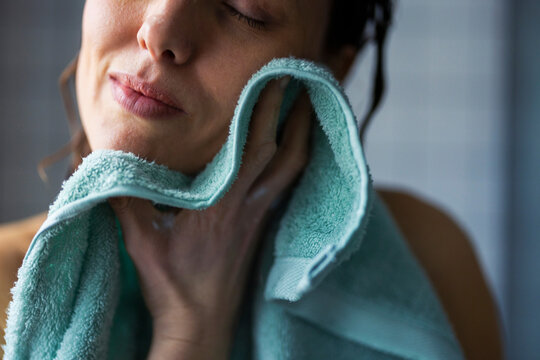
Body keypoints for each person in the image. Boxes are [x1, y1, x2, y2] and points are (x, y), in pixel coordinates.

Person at [0, 0, 503, 358]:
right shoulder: (6, 284)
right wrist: (190, 333)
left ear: (326, 67)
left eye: (246, 10)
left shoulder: (428, 262)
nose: (160, 29)